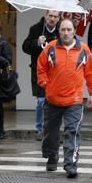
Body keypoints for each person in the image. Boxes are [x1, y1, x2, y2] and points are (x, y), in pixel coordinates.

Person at [37, 18, 92, 179]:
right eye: (63, 29)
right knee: (51, 132)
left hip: (74, 101)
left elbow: (91, 72)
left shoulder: (84, 50)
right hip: (52, 100)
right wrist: (44, 83)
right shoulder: (50, 48)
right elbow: (41, 67)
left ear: (74, 31)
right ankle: (52, 156)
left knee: (72, 132)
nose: (66, 33)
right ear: (59, 31)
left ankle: (71, 164)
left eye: (69, 29)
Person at [22, 10, 60, 141]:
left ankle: (53, 128)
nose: (52, 19)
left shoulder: (62, 30)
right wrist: (37, 42)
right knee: (41, 101)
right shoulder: (36, 29)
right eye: (50, 16)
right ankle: (40, 128)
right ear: (45, 16)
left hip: (56, 72)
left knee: (55, 102)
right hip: (39, 71)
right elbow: (25, 47)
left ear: (58, 18)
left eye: (55, 17)